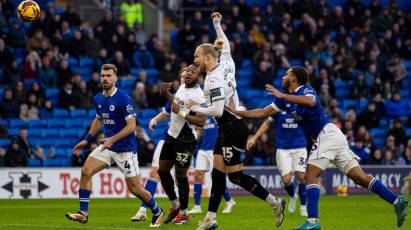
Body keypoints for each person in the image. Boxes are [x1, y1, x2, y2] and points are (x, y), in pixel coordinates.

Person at [226, 66, 408, 230]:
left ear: (294, 79)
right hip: (330, 138)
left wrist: (283, 95)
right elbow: (262, 113)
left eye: (286, 74)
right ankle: (397, 201)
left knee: (310, 175)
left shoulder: (306, 90)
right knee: (359, 178)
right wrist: (237, 112)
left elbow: (311, 102)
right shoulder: (283, 101)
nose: (283, 77)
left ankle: (313, 222)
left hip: (327, 134)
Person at [190, 12, 285, 230]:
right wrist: (217, 24)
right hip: (226, 127)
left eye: (197, 56)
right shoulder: (226, 64)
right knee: (217, 174)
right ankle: (210, 219)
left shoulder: (213, 80)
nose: (194, 60)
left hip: (234, 127)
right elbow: (226, 46)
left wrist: (190, 106)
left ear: (207, 58)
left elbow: (214, 110)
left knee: (236, 178)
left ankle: (274, 203)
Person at [65, 64, 164, 228]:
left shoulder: (123, 98)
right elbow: (98, 119)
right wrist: (87, 139)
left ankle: (157, 211)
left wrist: (112, 139)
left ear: (115, 78)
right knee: (86, 171)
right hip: (108, 148)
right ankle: (83, 214)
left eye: (108, 75)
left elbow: (132, 126)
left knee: (135, 189)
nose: (105, 78)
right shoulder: (98, 98)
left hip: (126, 150)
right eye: (103, 75)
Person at [158, 64, 207, 224]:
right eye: (187, 72)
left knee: (181, 176)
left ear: (199, 77)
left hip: (186, 139)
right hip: (171, 135)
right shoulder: (181, 87)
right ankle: (175, 204)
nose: (188, 74)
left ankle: (184, 213)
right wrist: (166, 93)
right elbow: (175, 103)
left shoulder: (200, 96)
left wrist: (182, 112)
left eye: (193, 72)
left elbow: (202, 121)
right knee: (162, 171)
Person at [246, 111, 308, 216]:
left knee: (301, 177)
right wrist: (255, 137)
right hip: (283, 148)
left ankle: (303, 207)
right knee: (286, 180)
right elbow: (267, 123)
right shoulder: (279, 106)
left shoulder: (301, 106)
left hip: (300, 146)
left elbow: (311, 123)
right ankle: (293, 197)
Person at [188, 117, 236, 214]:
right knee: (198, 175)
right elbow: (199, 129)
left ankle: (230, 201)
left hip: (215, 150)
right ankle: (197, 206)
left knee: (216, 177)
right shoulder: (204, 116)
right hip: (203, 149)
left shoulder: (217, 114)